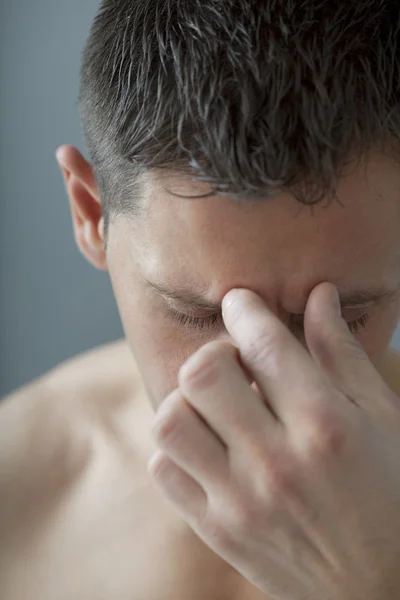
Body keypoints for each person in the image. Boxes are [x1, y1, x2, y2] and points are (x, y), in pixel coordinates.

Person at [1, 1, 400, 598]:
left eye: (344, 315)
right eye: (199, 314)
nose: (266, 390)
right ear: (91, 215)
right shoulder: (17, 493)